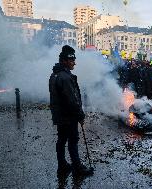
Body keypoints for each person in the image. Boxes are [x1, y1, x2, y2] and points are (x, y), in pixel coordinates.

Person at [49, 45, 94, 177]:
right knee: (73, 141)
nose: (74, 62)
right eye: (71, 60)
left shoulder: (54, 74)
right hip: (68, 116)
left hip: (60, 115)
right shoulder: (65, 77)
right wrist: (80, 114)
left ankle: (62, 165)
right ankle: (77, 168)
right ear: (64, 61)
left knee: (62, 140)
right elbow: (72, 100)